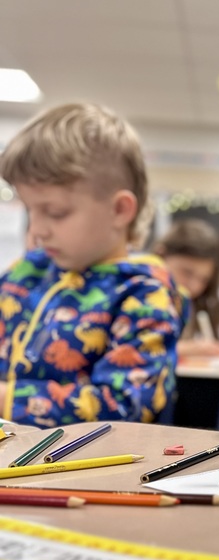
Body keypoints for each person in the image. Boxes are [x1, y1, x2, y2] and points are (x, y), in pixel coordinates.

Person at [0, 102, 187, 428]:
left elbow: (123, 404)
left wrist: (7, 400)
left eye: (55, 212)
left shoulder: (143, 292)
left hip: (75, 469)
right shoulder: (26, 272)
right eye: (31, 210)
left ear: (119, 211)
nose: (38, 229)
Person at [154, 217, 219, 358]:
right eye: (187, 272)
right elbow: (139, 349)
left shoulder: (194, 305)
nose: (194, 287)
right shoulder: (141, 298)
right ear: (161, 255)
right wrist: (188, 349)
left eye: (204, 280)